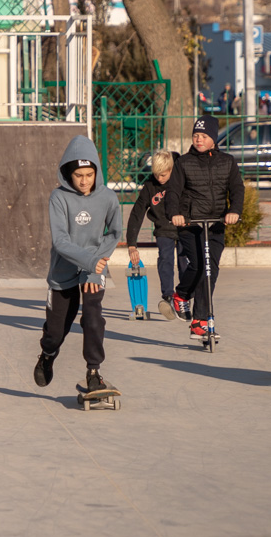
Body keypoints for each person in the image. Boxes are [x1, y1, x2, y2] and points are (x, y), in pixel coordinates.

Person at [34, 135, 123, 395]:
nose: (84, 181)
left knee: (93, 317)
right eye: (78, 175)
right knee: (56, 330)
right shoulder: (58, 198)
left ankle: (93, 371)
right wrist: (91, 260)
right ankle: (48, 353)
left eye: (89, 174)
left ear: (96, 171)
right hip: (63, 271)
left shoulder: (108, 198)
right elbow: (60, 241)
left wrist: (97, 264)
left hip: (94, 270)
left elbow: (114, 232)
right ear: (68, 175)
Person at [165, 114, 245, 338]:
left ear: (213, 138)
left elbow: (237, 189)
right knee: (201, 265)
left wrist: (234, 211)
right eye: (195, 135)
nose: (199, 139)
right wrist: (175, 214)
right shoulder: (184, 162)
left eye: (204, 135)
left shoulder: (227, 162)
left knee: (211, 270)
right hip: (191, 224)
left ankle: (197, 317)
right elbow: (173, 192)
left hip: (216, 223)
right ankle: (189, 305)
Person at [126, 149, 182, 319]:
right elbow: (137, 213)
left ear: (172, 169)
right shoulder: (150, 186)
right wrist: (131, 244)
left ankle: (185, 297)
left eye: (163, 175)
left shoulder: (181, 181)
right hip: (164, 228)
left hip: (184, 227)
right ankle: (168, 297)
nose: (159, 179)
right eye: (156, 175)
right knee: (165, 258)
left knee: (185, 261)